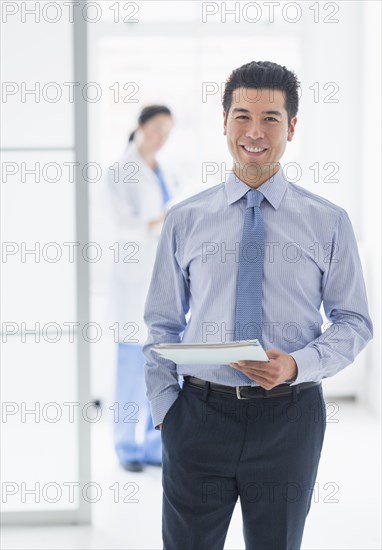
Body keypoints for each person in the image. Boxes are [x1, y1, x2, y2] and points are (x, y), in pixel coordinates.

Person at [143, 61, 373, 549]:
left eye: (271, 118)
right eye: (242, 115)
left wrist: (297, 364)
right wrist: (168, 411)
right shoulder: (186, 220)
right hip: (198, 417)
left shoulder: (329, 222)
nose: (254, 131)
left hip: (289, 421)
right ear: (223, 122)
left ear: (291, 127)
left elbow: (353, 321)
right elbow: (162, 322)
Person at [108, 105, 179, 473]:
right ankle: (126, 443)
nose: (160, 137)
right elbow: (122, 223)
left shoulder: (165, 171)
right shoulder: (121, 170)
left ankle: (154, 443)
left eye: (167, 130)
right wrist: (162, 218)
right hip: (133, 278)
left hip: (161, 277)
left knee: (161, 364)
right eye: (155, 128)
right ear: (139, 127)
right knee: (130, 365)